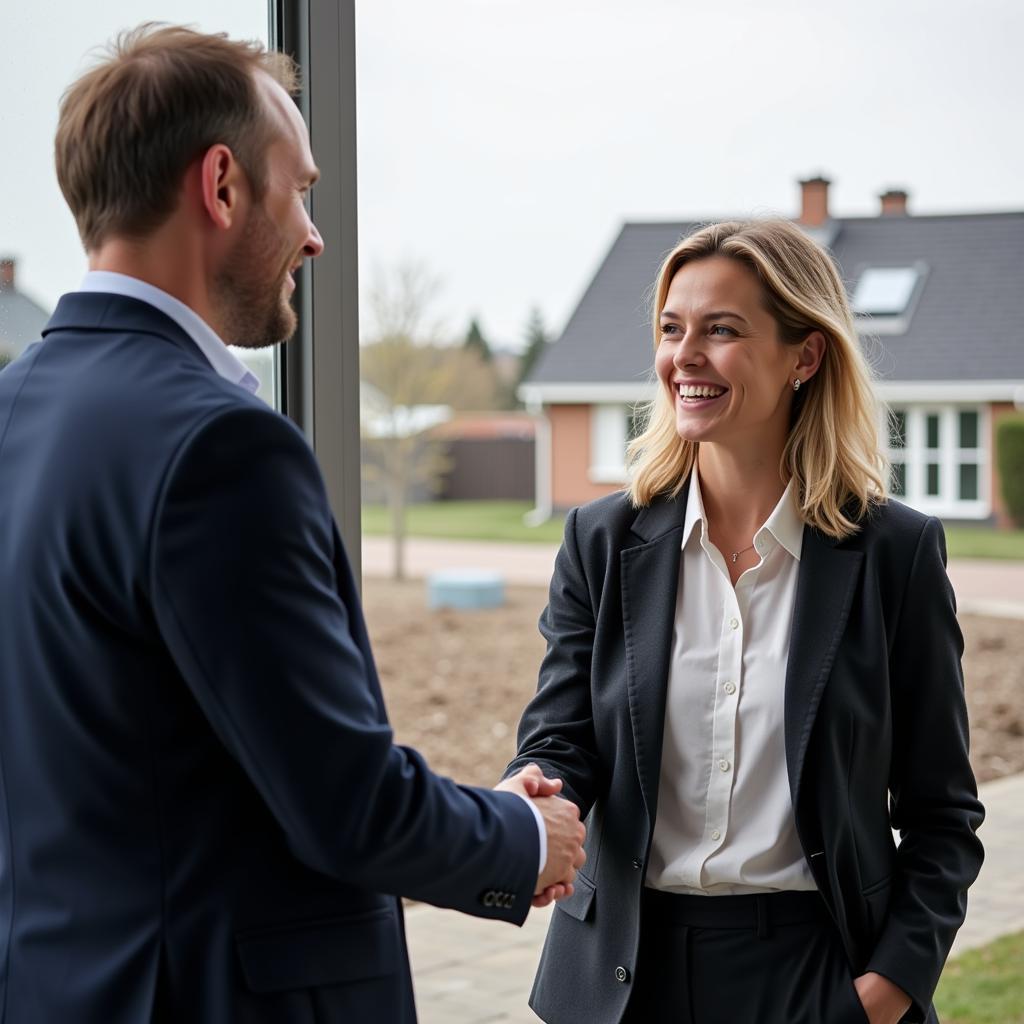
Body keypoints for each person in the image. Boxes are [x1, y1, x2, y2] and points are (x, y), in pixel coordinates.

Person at [0, 24, 584, 1023]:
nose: (314, 234)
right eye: (299, 189)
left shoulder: (16, 410)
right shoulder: (220, 448)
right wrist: (526, 838)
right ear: (221, 185)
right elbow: (342, 800)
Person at [503, 219, 984, 1024]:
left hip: (817, 970)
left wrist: (888, 987)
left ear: (805, 355)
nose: (684, 356)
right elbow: (563, 739)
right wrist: (535, 790)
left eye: (721, 330)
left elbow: (944, 816)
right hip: (625, 975)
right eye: (671, 329)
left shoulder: (894, 554)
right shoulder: (600, 541)